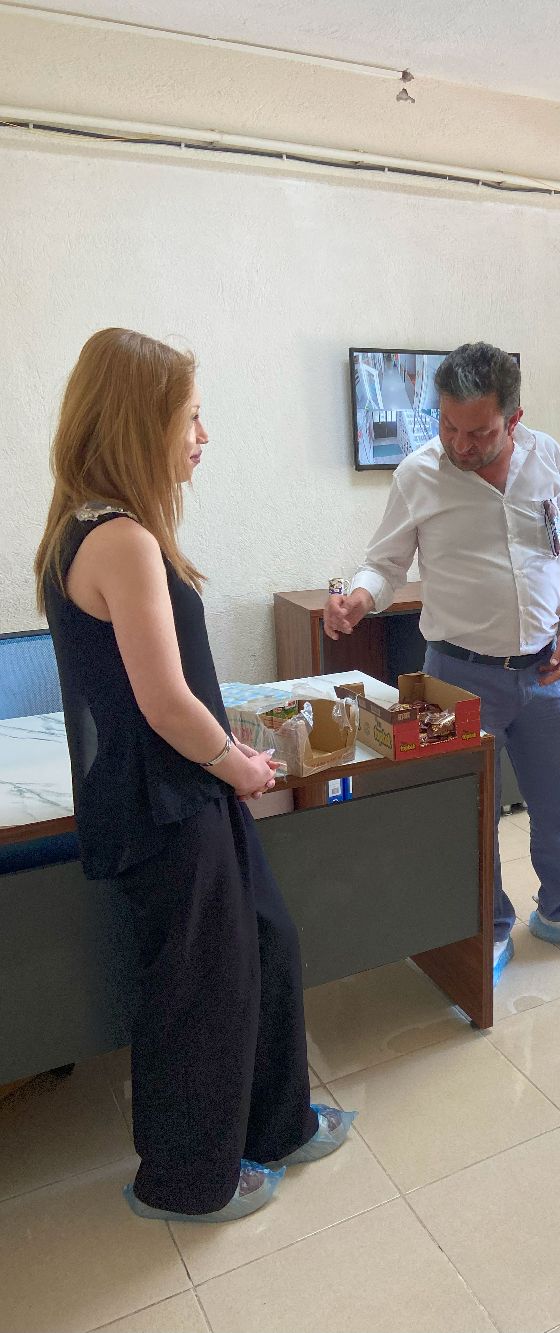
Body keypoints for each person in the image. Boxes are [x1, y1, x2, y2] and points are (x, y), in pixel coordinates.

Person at [34, 329, 354, 1223]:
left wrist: (226, 753)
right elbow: (167, 702)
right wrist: (237, 762)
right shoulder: (120, 539)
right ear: (139, 426)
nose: (202, 436)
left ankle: (278, 1123)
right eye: (191, 418)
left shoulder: (93, 529)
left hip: (184, 788)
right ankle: (183, 1180)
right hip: (164, 801)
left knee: (264, 941)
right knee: (201, 989)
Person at [324, 341, 560, 984]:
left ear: (514, 419)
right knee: (470, 813)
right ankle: (487, 925)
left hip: (545, 672)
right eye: (449, 426)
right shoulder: (419, 475)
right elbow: (384, 564)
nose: (461, 444)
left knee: (557, 808)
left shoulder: (548, 458)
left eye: (479, 432)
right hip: (456, 675)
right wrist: (359, 598)